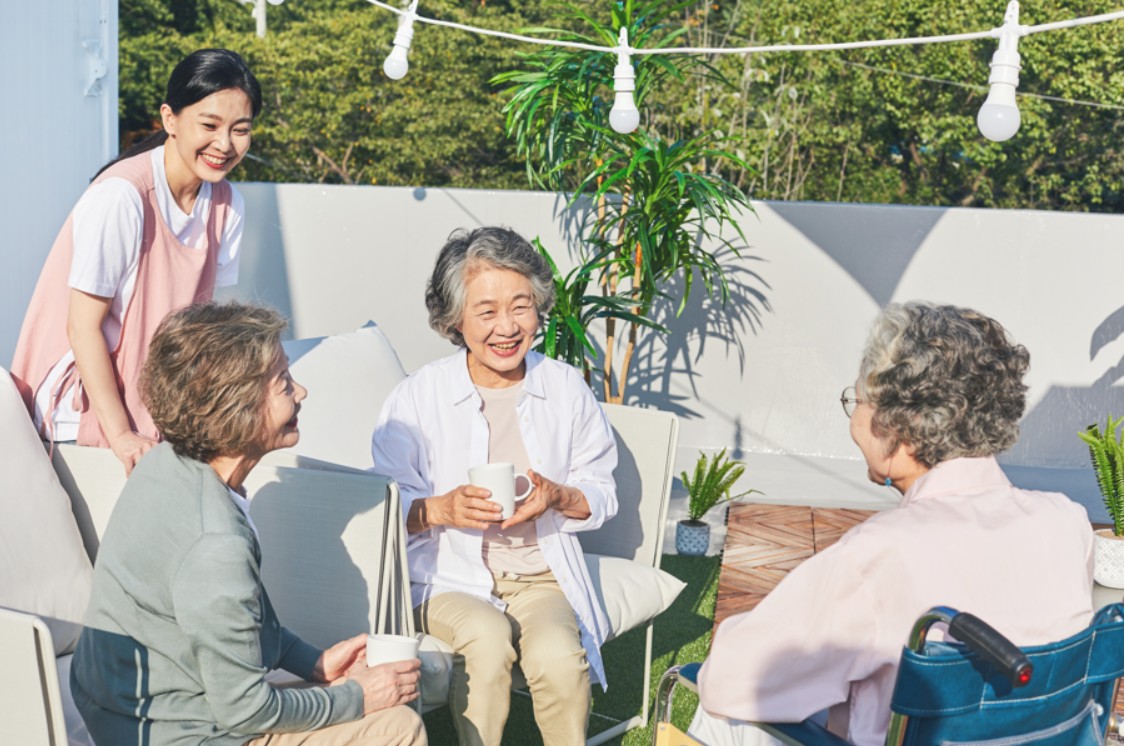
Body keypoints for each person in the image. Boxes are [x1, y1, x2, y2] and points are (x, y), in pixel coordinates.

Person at [690, 302, 1094, 746]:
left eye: (858, 401)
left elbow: (728, 681)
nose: (854, 418)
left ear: (899, 424)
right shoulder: (1067, 522)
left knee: (720, 714)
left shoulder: (879, 554)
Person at [70, 302, 427, 746]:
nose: (301, 392)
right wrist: (358, 697)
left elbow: (233, 622)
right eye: (284, 382)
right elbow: (244, 711)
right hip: (170, 733)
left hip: (125, 706)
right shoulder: (216, 543)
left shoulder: (166, 463)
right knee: (398, 725)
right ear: (235, 407)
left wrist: (314, 663)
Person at [372, 227, 618, 746]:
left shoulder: (565, 388)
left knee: (559, 659)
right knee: (486, 637)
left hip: (539, 576)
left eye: (521, 307)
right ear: (454, 320)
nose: (507, 327)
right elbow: (380, 507)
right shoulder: (417, 397)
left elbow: (601, 490)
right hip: (443, 578)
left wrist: (559, 496)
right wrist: (439, 509)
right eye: (486, 312)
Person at [10, 48, 259, 474]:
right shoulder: (122, 196)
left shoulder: (226, 204)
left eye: (240, 130)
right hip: (79, 416)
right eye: (209, 125)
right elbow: (82, 327)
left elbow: (199, 330)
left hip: (152, 409)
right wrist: (122, 434)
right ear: (169, 119)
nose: (224, 144)